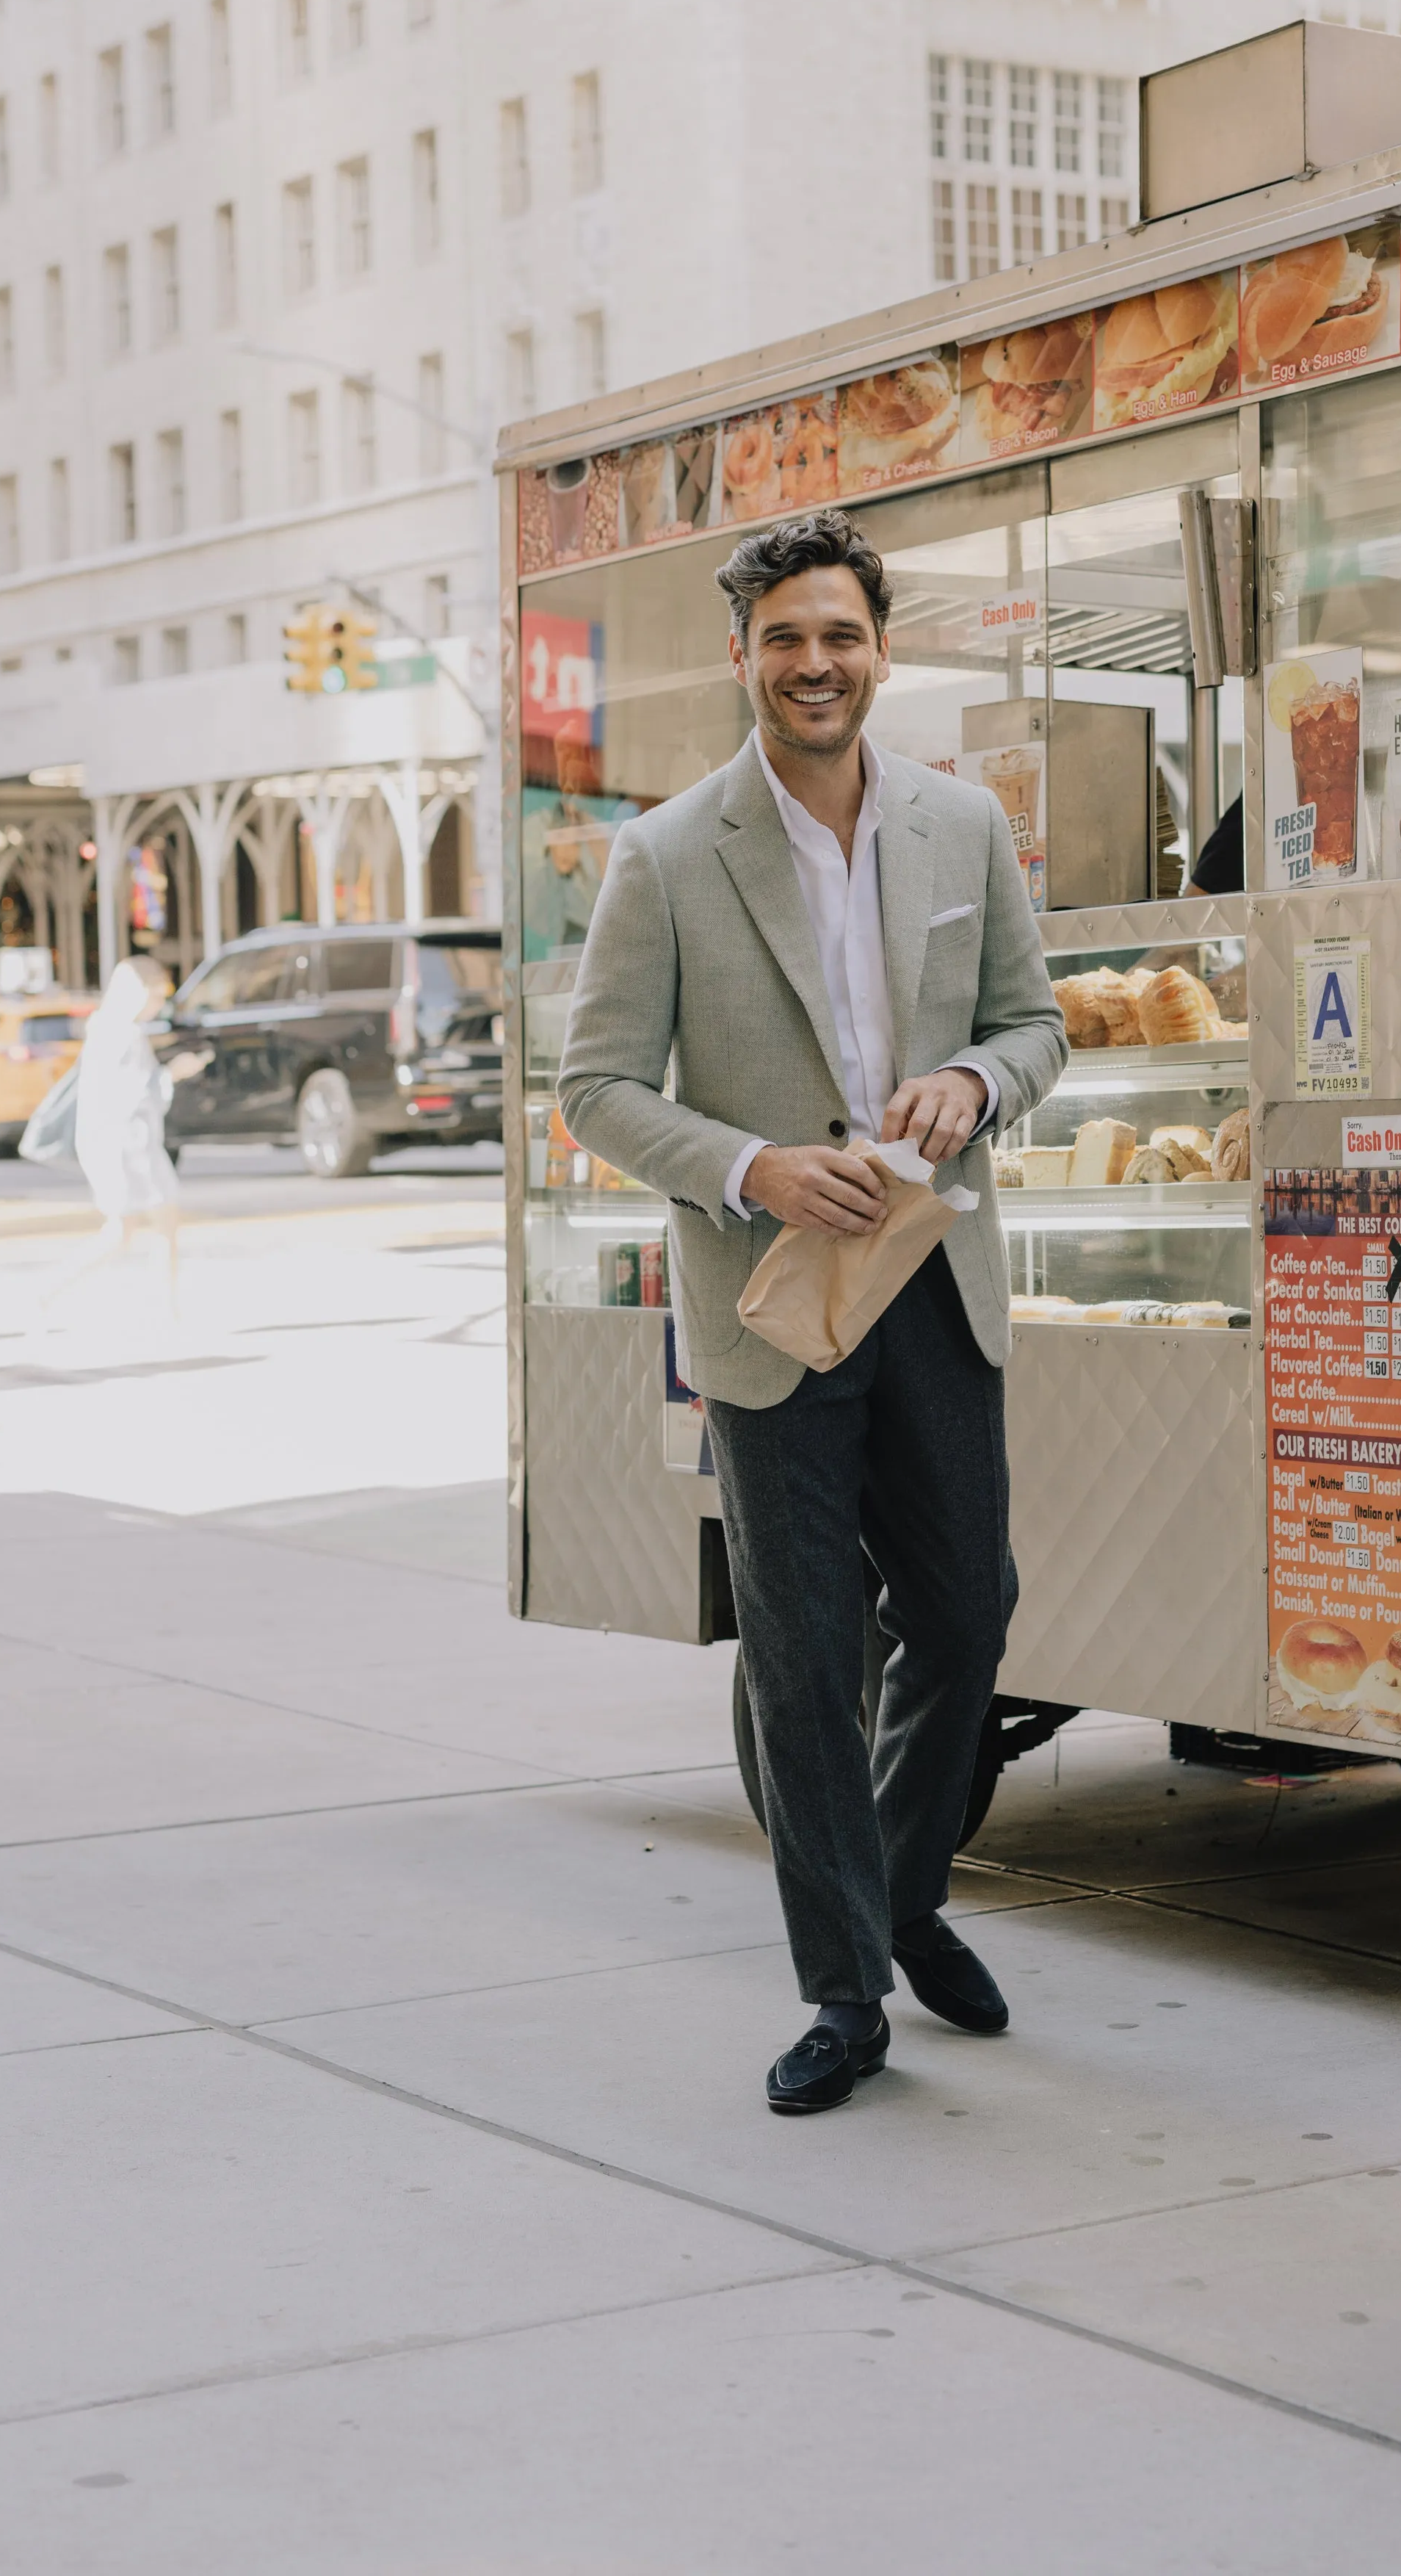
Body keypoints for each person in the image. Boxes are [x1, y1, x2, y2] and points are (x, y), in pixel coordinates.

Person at [559, 508, 1068, 2115]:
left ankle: (904, 1890)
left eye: (838, 633)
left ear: (880, 648)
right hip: (771, 1300)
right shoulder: (665, 853)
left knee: (969, 1609)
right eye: (783, 637)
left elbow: (1036, 1023)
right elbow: (594, 1087)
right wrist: (752, 1166)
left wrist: (975, 1079)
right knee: (802, 1652)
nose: (813, 663)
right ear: (742, 657)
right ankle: (845, 1987)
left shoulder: (959, 824)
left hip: (935, 1277)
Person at [51, 955, 187, 1310]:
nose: (160, 1005)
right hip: (130, 1145)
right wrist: (173, 1073)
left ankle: (166, 1306)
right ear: (138, 993)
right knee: (144, 1227)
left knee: (138, 1229)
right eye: (157, 995)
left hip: (118, 1143)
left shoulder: (105, 1028)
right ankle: (165, 1308)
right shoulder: (126, 1034)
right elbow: (137, 1095)